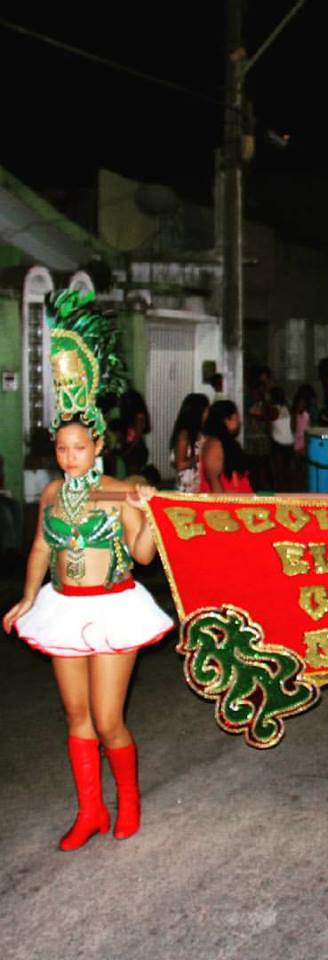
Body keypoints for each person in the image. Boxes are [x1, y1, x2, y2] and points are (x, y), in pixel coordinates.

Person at [3, 288, 174, 850]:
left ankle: (128, 802)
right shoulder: (52, 493)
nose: (69, 456)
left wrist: (146, 512)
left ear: (97, 444)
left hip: (115, 607)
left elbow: (146, 557)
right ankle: (90, 812)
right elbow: (39, 551)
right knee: (75, 717)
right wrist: (28, 599)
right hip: (62, 607)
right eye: (62, 447)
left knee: (106, 720)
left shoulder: (122, 490)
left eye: (78, 447)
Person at [199, 400, 253, 493]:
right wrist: (223, 505)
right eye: (236, 418)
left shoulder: (225, 443)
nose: (240, 422)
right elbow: (214, 482)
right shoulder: (214, 445)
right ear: (227, 420)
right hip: (226, 503)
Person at [168, 393, 209, 493]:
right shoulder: (184, 434)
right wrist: (200, 457)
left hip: (199, 484)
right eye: (206, 410)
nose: (208, 414)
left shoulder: (201, 432)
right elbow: (180, 464)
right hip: (187, 487)